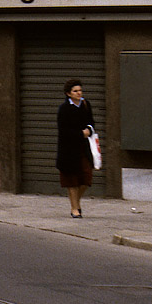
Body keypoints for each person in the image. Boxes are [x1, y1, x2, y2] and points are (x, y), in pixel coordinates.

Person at [55, 78, 94, 219]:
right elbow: (63, 130)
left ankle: (76, 202)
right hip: (68, 150)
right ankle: (74, 208)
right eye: (75, 91)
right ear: (68, 93)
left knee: (86, 178)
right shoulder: (64, 109)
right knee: (72, 180)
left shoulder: (85, 104)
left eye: (80, 90)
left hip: (84, 148)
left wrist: (89, 129)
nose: (79, 93)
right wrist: (80, 133)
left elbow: (91, 122)